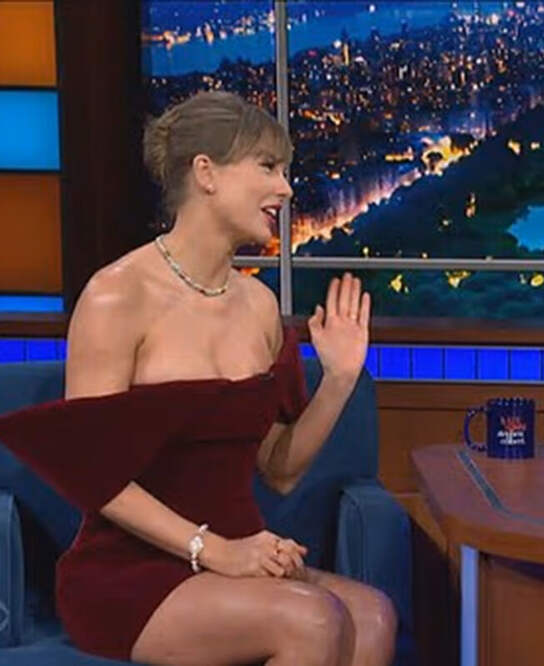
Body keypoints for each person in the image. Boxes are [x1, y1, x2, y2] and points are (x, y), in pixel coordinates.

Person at [0, 91, 395, 665]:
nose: (286, 189)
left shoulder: (259, 307)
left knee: (374, 616)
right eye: (268, 167)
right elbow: (92, 474)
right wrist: (214, 551)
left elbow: (280, 470)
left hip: (241, 555)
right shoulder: (117, 296)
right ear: (205, 173)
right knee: (314, 617)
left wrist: (339, 378)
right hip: (129, 572)